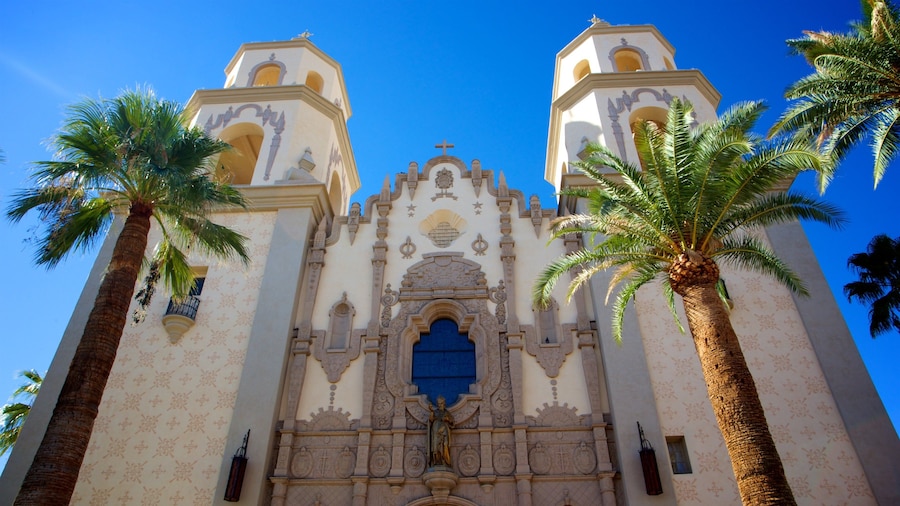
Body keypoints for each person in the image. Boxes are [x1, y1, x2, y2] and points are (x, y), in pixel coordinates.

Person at [427, 395, 453, 467]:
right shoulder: (435, 412)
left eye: (441, 403)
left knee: (445, 446)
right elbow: (431, 420)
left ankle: (445, 461)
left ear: (444, 403)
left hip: (444, 432)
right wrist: (432, 412)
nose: (439, 405)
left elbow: (452, 422)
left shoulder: (446, 413)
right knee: (436, 448)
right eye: (438, 404)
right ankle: (437, 462)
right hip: (436, 433)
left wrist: (447, 419)